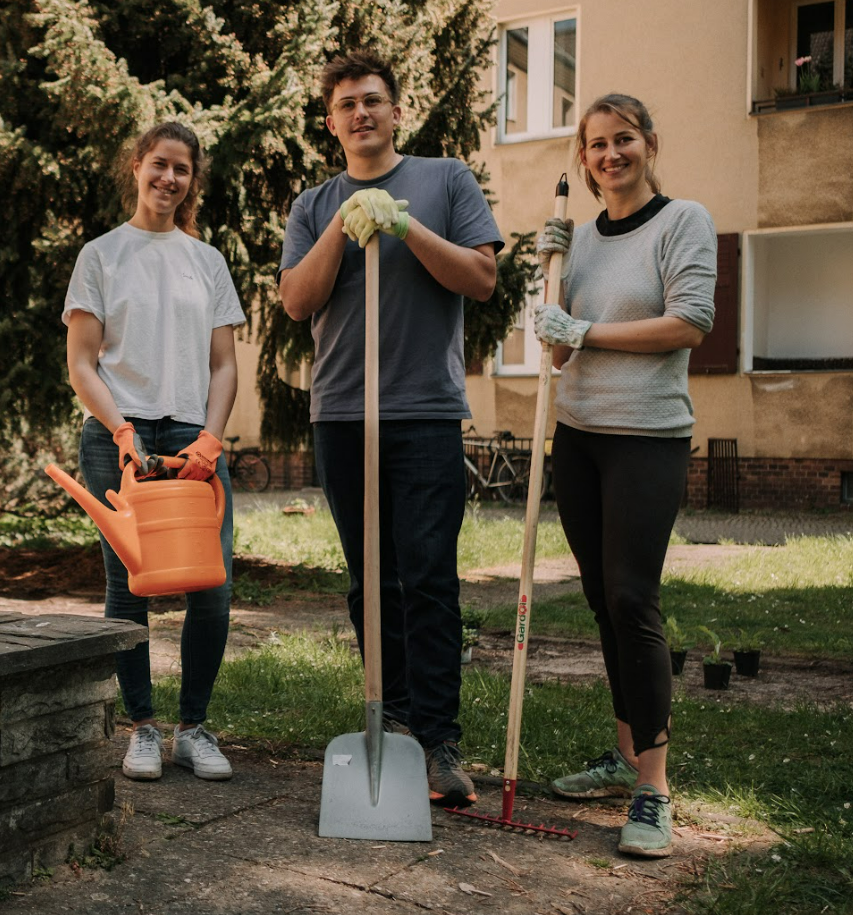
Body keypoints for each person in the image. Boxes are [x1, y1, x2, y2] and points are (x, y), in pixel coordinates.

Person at [278, 51, 503, 808]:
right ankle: (392, 716)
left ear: (397, 111)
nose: (360, 113)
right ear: (331, 121)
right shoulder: (313, 203)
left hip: (425, 409)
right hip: (342, 411)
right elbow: (296, 302)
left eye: (373, 100)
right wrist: (342, 230)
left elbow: (480, 277)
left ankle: (439, 739)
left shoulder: (445, 181)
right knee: (368, 579)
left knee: (429, 578)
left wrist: (405, 227)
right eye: (345, 105)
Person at [534, 94, 716, 857]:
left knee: (634, 598)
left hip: (647, 438)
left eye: (623, 140)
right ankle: (624, 752)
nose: (610, 154)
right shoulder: (572, 241)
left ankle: (653, 788)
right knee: (603, 605)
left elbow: (689, 321)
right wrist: (547, 286)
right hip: (578, 438)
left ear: (648, 141)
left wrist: (586, 328)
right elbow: (556, 355)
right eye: (596, 145)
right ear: (582, 158)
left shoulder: (683, 221)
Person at [64, 121, 245, 782]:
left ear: (192, 181)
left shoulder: (208, 261)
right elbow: (82, 364)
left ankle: (193, 727)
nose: (169, 178)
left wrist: (210, 438)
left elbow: (224, 366)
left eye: (182, 170)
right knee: (128, 585)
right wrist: (119, 431)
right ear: (137, 165)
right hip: (121, 437)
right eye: (159, 164)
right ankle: (141, 727)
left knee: (214, 586)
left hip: (194, 445)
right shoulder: (101, 256)